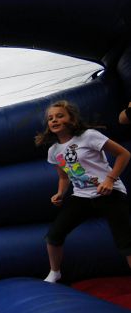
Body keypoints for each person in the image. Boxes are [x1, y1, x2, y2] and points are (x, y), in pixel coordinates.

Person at [35, 100, 131, 283]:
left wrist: (110, 180)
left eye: (60, 116)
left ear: (71, 119)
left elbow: (124, 154)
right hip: (81, 196)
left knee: (125, 241)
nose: (54, 120)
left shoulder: (88, 136)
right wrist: (60, 193)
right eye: (50, 118)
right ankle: (55, 272)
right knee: (54, 235)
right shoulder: (54, 151)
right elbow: (64, 177)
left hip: (109, 192)